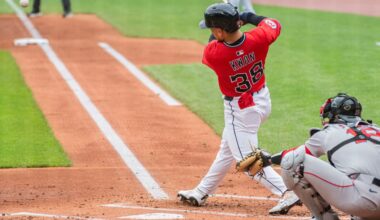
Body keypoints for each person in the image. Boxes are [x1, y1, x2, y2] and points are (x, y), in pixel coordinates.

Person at [178, 3, 300, 215]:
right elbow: (272, 23)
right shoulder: (259, 38)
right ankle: (201, 191)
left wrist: (229, 24)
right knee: (228, 149)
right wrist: (246, 16)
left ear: (218, 31)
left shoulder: (216, 54)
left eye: (212, 29)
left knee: (246, 160)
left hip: (240, 111)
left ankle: (286, 191)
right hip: (262, 100)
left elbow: (213, 45)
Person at [265, 93, 380, 219]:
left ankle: (324, 217)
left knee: (292, 161)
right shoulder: (376, 129)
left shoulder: (329, 131)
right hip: (369, 200)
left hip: (364, 202)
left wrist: (267, 159)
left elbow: (294, 156)